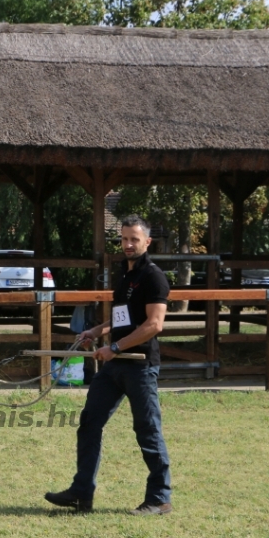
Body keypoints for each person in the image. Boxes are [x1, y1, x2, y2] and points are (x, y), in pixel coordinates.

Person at [45, 214, 172, 516]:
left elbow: (154, 325)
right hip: (115, 366)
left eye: (134, 239)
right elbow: (123, 319)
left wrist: (114, 347)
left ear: (147, 241)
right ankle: (81, 493)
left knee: (147, 430)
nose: (127, 244)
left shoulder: (154, 277)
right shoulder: (125, 277)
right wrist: (97, 331)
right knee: (89, 423)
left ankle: (159, 498)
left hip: (139, 366)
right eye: (124, 239)